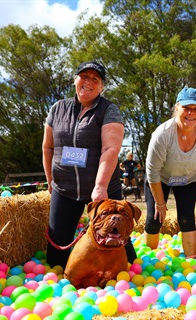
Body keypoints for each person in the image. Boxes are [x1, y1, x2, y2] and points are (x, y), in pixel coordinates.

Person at [42, 60, 136, 270]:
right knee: (56, 259)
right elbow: (48, 148)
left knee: (125, 256)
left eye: (95, 79)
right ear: (75, 79)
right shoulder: (58, 108)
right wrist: (50, 179)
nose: (88, 82)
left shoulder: (109, 110)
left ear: (101, 86)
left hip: (102, 188)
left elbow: (110, 150)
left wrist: (100, 186)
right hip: (65, 188)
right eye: (84, 76)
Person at [144, 87, 196, 257]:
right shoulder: (162, 135)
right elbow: (152, 171)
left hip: (189, 179)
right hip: (159, 178)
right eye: (186, 108)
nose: (191, 113)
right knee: (154, 219)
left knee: (186, 218)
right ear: (177, 108)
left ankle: (191, 260)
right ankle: (147, 260)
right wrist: (161, 204)